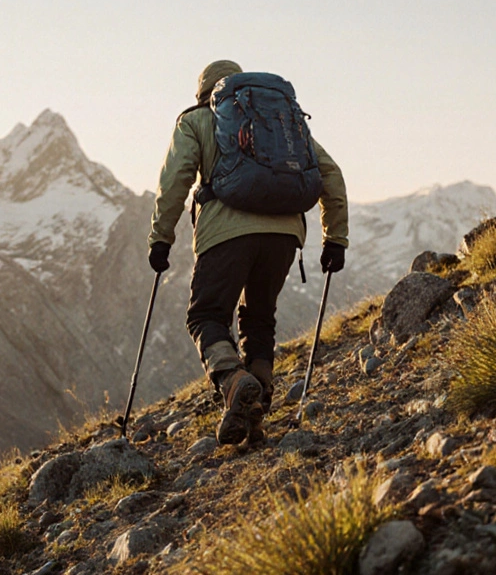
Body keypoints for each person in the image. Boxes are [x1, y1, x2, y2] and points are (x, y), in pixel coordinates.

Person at [148, 60, 348, 446]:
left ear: (204, 92)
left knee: (206, 316)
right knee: (259, 320)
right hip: (284, 235)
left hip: (226, 234)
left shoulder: (197, 121)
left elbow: (175, 180)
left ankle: (233, 381)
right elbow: (331, 173)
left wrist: (161, 237)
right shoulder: (280, 120)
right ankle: (254, 414)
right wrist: (335, 237)